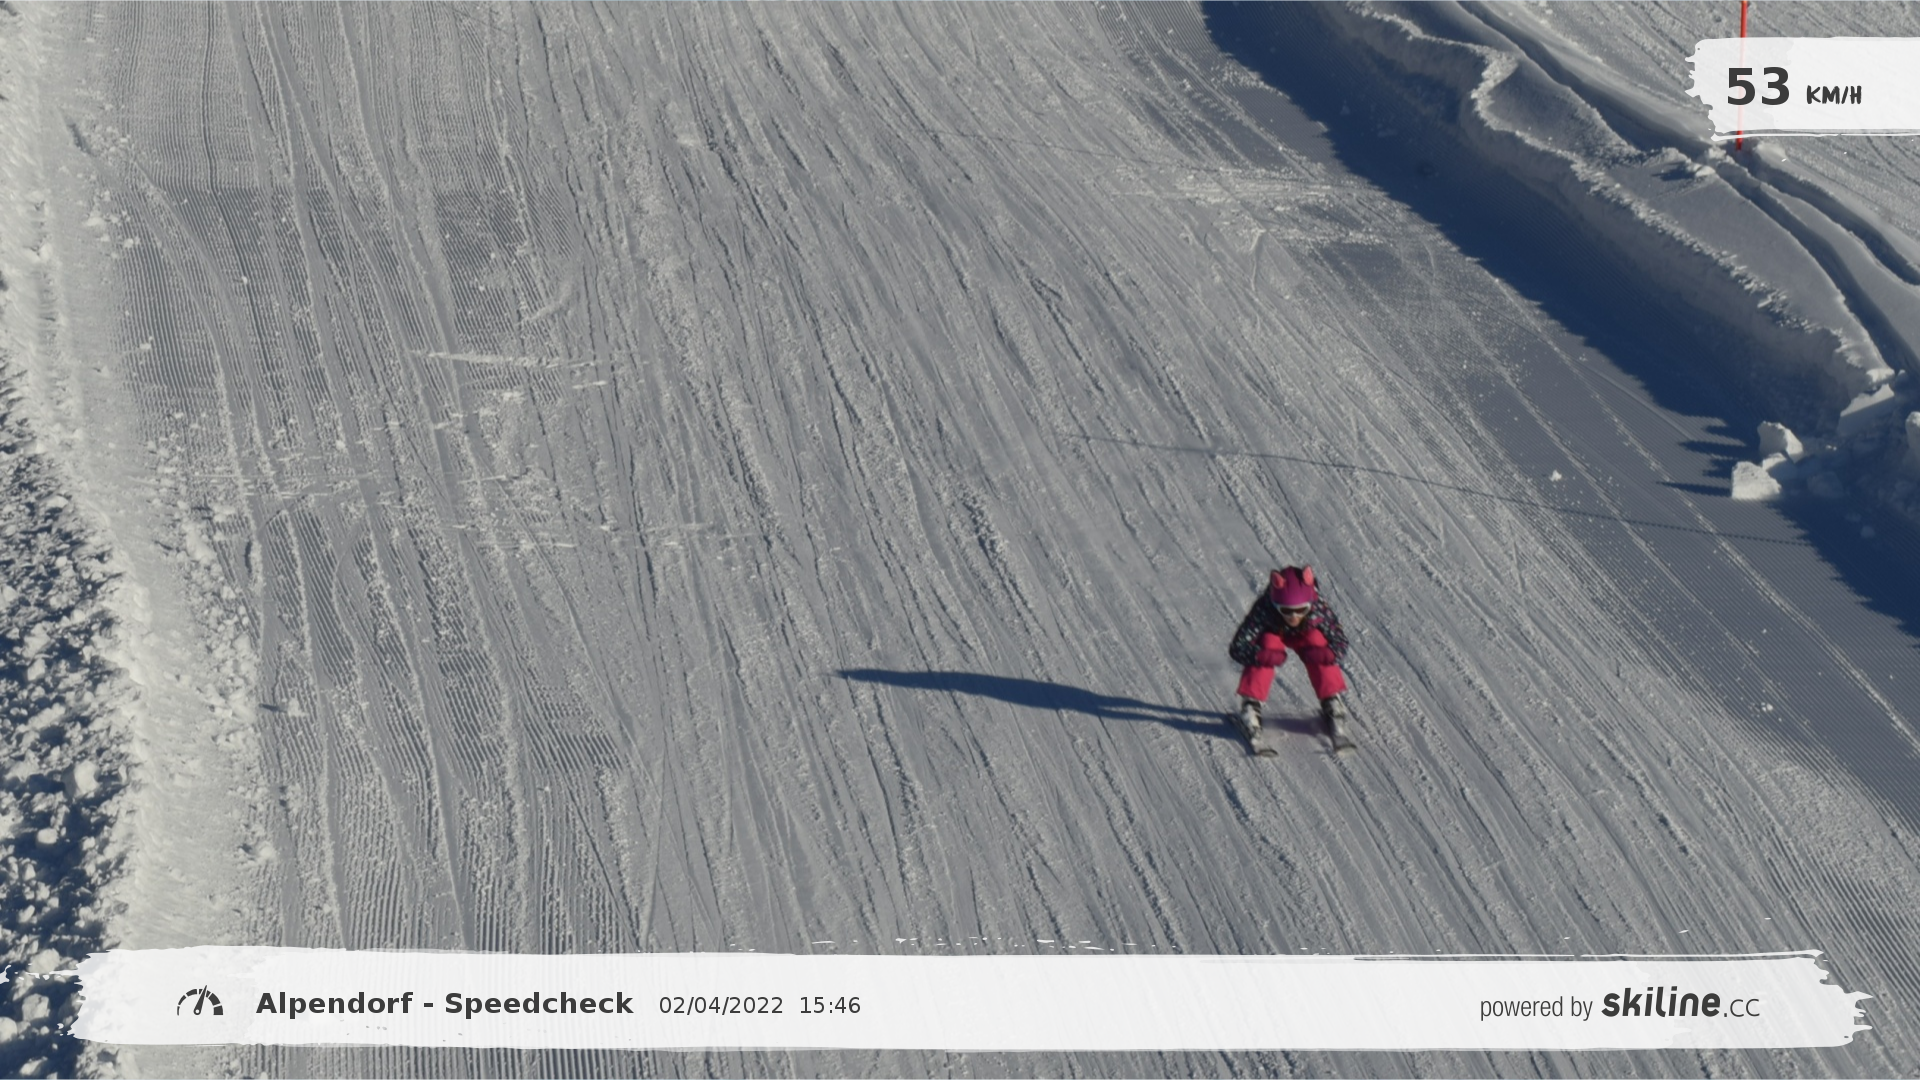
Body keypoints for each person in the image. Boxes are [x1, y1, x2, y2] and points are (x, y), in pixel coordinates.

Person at [1227, 565, 1350, 739]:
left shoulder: (1318, 608)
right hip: (1275, 634)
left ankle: (1331, 700)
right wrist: (1259, 655)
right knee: (1267, 643)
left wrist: (1328, 654)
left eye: (1301, 610)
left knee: (1318, 640)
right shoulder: (1264, 609)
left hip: (1306, 636)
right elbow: (1238, 647)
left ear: (1310, 604)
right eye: (1286, 611)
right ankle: (1251, 705)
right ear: (1276, 605)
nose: (1294, 617)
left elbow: (1340, 641)